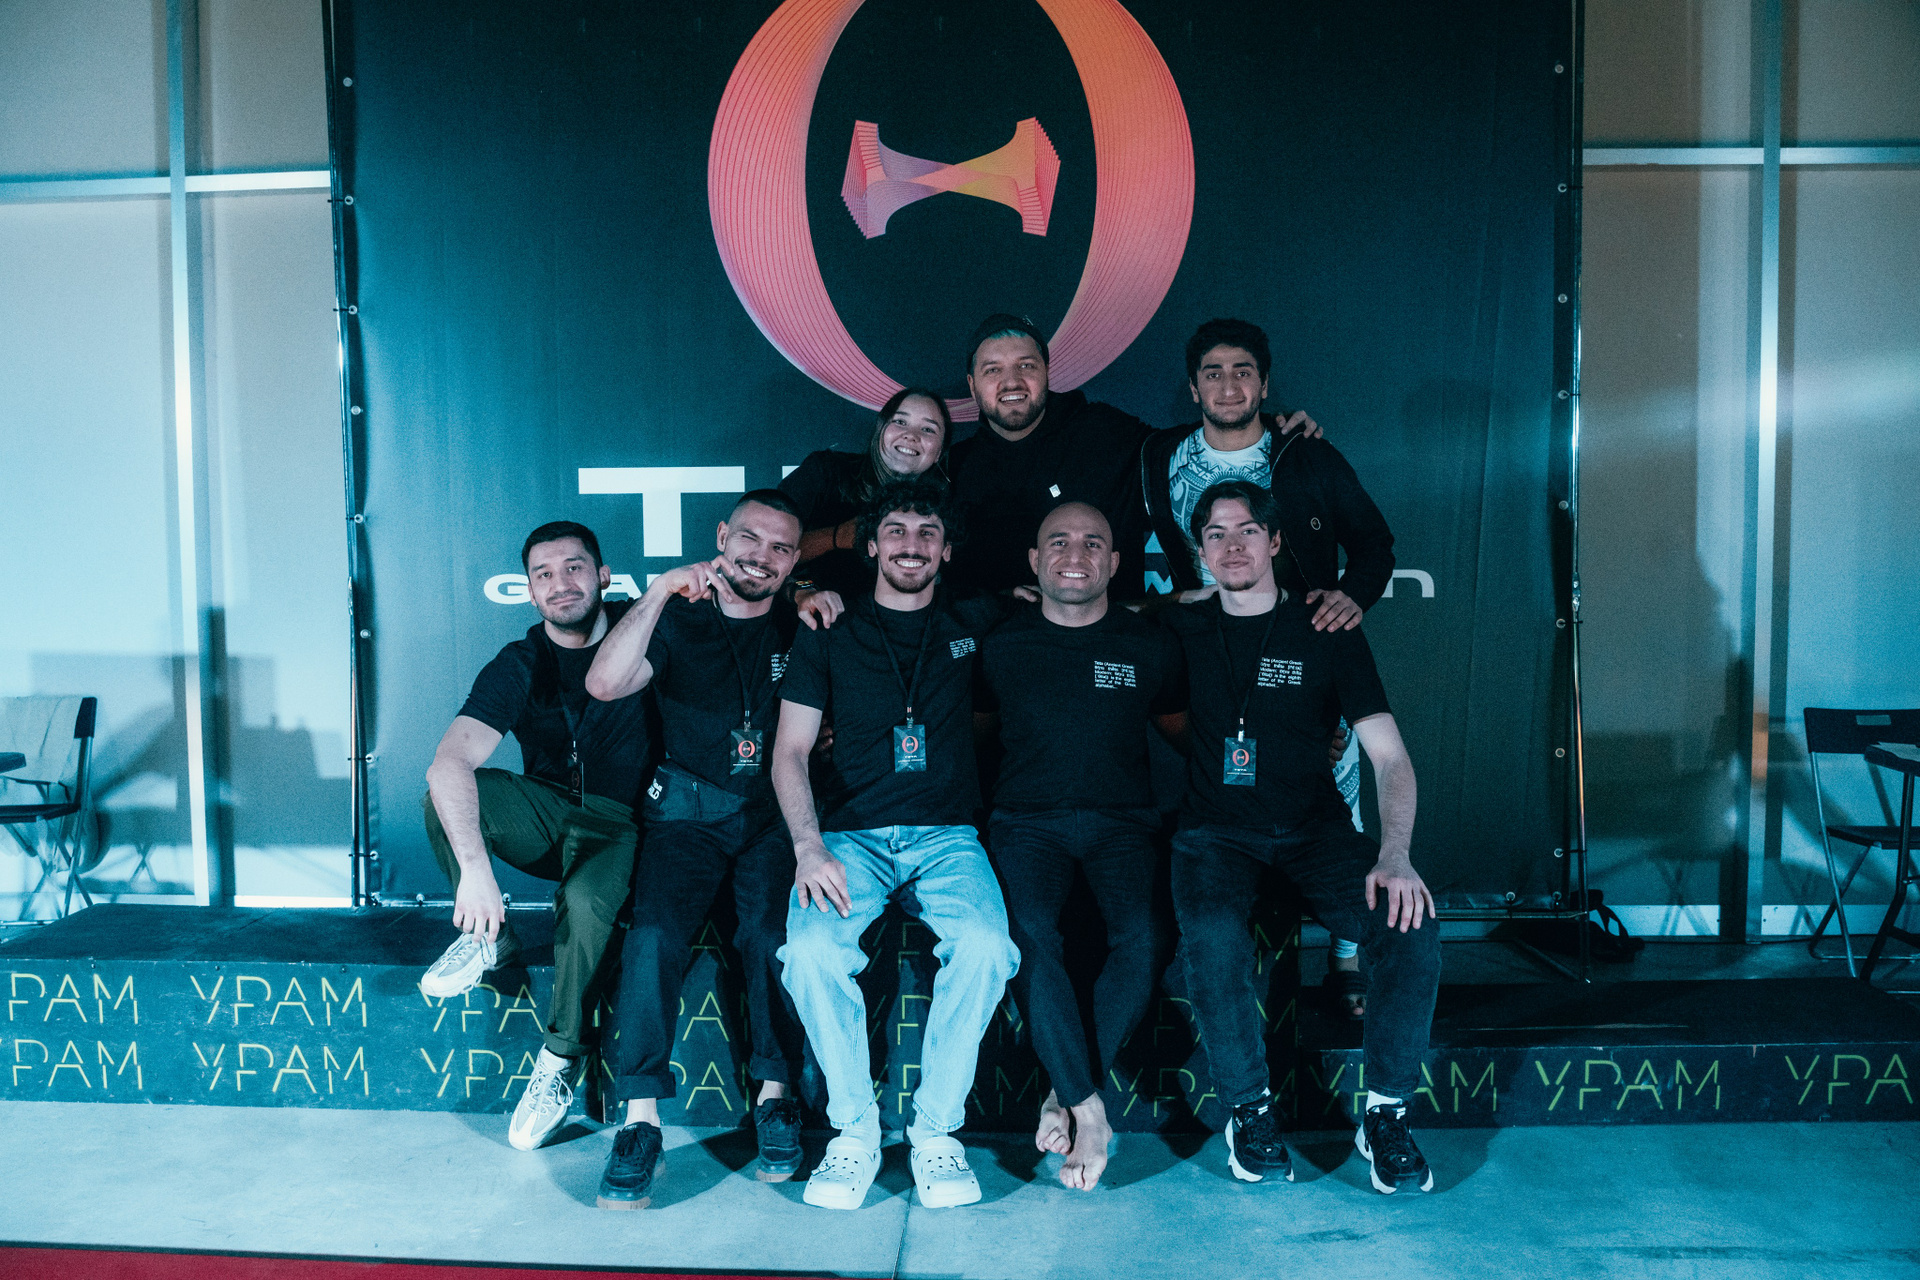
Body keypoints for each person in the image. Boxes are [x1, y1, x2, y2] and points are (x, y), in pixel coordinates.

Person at [1161, 480, 1440, 1195]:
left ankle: (1386, 1114)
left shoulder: (1327, 626)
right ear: (1199, 551)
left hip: (1315, 831)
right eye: (1216, 534)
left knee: (1406, 923)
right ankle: (1249, 1112)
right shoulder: (1179, 624)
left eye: (1247, 531)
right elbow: (1096, 611)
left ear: (1276, 541)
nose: (1232, 546)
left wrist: (1395, 855)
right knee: (1213, 933)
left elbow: (1391, 758)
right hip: (1215, 834)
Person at [771, 477, 1018, 1211]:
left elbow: (1079, 605)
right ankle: (854, 1132)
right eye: (898, 532)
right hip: (849, 837)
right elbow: (788, 752)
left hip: (948, 838)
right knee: (810, 952)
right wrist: (809, 847)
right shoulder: (827, 629)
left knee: (986, 945)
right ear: (872, 547)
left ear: (947, 550)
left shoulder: (974, 621)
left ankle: (936, 1132)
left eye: (928, 533)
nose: (913, 546)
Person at [1145, 318, 1398, 1017]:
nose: (1228, 385)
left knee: (1338, 786)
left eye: (1243, 371)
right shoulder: (1160, 458)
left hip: (1304, 646)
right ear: (1193, 387)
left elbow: (1375, 543)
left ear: (1264, 383)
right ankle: (1221, 944)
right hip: (1215, 648)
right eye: (1214, 372)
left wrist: (1352, 598)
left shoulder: (1306, 454)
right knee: (1222, 799)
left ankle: (1346, 953)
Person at [582, 491, 818, 1208]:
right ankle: (640, 1120)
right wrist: (657, 591)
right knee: (653, 936)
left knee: (772, 935)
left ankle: (775, 1097)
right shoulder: (678, 615)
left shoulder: (802, 621)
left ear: (795, 561)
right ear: (721, 536)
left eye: (780, 548)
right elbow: (604, 683)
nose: (762, 557)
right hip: (685, 814)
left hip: (769, 814)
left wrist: (817, 595)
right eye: (749, 539)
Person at [976, 502, 1187, 1190]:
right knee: (1028, 934)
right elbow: (969, 734)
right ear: (1034, 561)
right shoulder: (1000, 645)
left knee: (1146, 936)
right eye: (1059, 541)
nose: (1076, 554)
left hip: (1123, 825)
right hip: (1025, 824)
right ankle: (1090, 1112)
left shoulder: (1148, 644)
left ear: (1115, 563)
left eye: (1094, 542)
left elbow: (1191, 735)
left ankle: (1063, 1090)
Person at [418, 521, 648, 1152]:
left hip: (622, 824)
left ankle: (559, 1060)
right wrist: (476, 873)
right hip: (548, 814)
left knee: (585, 903)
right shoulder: (520, 661)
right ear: (529, 590)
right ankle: (490, 939)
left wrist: (803, 594)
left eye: (574, 568)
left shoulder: (645, 627)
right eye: (543, 574)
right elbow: (449, 762)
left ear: (604, 576)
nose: (560, 583)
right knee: (445, 794)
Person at [780, 387, 952, 598]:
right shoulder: (825, 472)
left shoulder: (945, 507)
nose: (911, 435)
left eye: (928, 429)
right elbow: (764, 552)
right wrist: (835, 537)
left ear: (940, 451)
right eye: (900, 421)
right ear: (881, 428)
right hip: (817, 615)